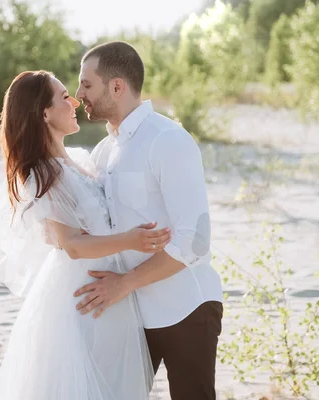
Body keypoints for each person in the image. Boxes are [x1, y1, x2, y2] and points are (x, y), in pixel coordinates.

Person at [0, 70, 170, 399]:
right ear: (45, 113)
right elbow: (72, 245)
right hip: (79, 295)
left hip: (111, 289)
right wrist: (131, 239)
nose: (74, 103)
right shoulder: (42, 174)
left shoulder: (81, 160)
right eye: (64, 97)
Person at [73, 41, 224, 400]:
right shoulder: (104, 151)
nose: (79, 94)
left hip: (186, 309)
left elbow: (195, 240)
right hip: (130, 313)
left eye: (86, 85)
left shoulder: (168, 140)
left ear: (116, 87)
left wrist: (125, 283)